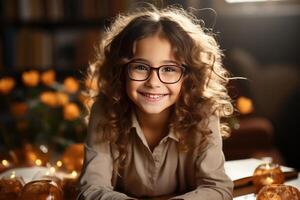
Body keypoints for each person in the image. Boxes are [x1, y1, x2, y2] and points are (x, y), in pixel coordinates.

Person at [77, 5, 234, 200]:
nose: (153, 82)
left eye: (169, 69)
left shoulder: (204, 112)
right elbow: (91, 189)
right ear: (121, 71)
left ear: (189, 77)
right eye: (141, 67)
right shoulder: (105, 109)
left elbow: (218, 188)